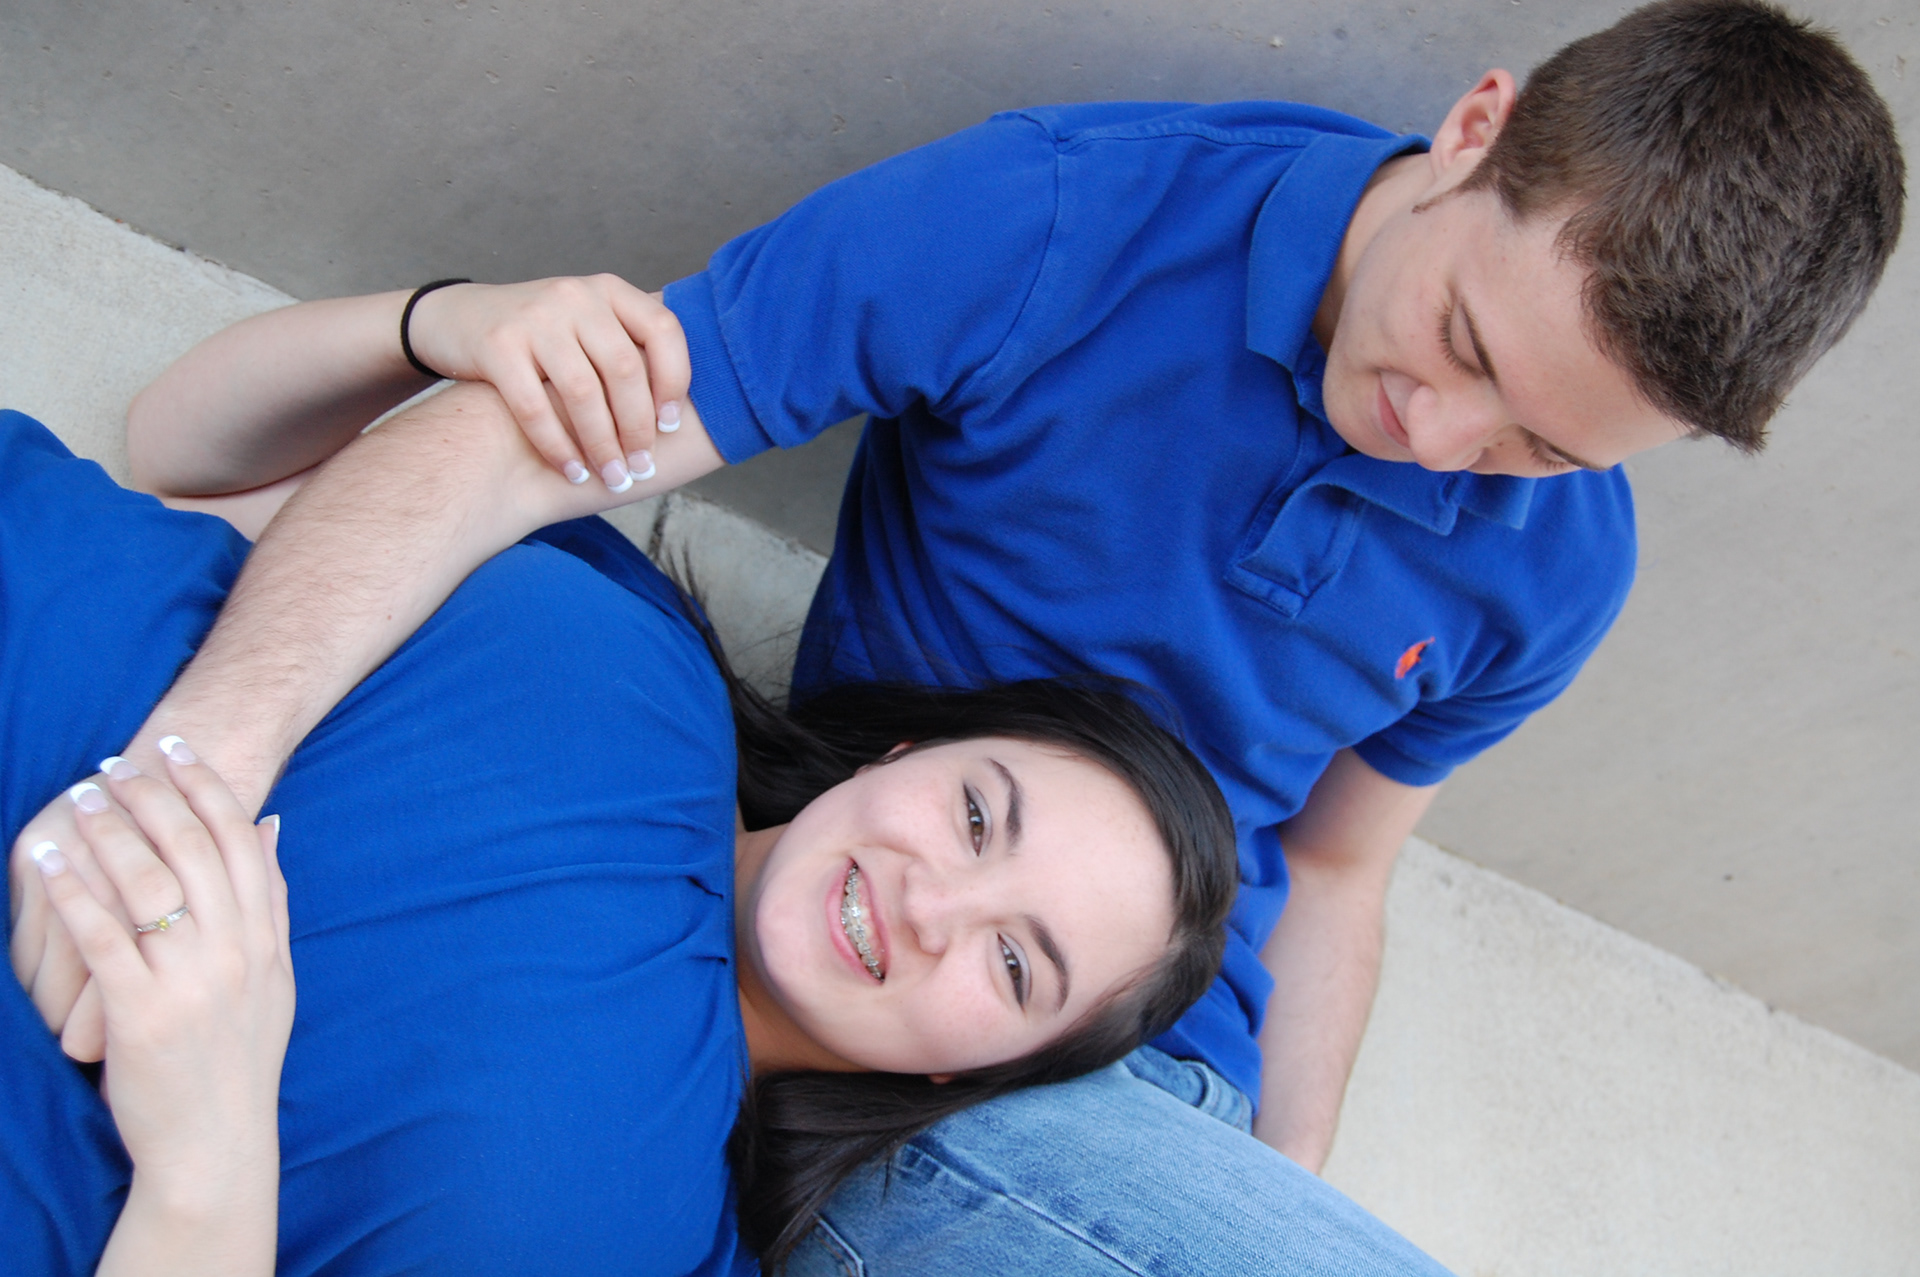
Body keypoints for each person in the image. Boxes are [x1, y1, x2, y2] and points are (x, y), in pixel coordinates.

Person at [13, 1, 1902, 1272]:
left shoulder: (1561, 566)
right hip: (905, 1001)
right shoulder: (1059, 222)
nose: (1441, 442)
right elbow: (518, 437)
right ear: (1475, 129)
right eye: (1465, 346)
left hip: (1108, 1061)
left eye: (1538, 446)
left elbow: (1339, 870)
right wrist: (191, 779)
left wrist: (1261, 1178)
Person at [1, 398, 1246, 1275]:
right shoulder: (646, 646)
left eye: (1015, 963)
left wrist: (207, 1157)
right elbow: (200, 462)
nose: (933, 903)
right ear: (905, 750)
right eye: (977, 815)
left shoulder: (658, 1241)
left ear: (973, 1075)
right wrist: (195, 760)